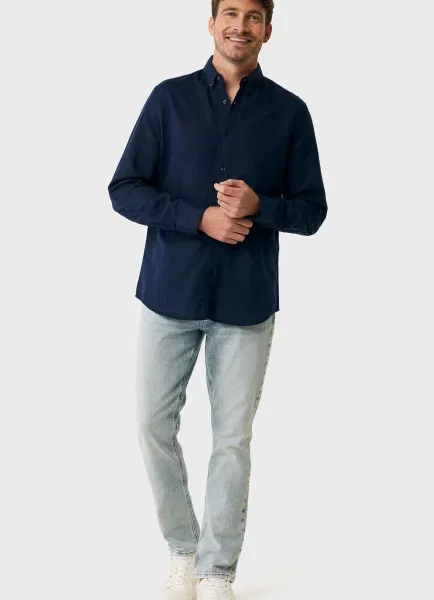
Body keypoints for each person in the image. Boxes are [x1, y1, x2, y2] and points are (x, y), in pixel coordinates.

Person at [108, 0, 327, 597]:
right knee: (152, 426)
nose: (240, 26)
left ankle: (216, 570)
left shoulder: (289, 112)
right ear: (211, 24)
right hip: (169, 293)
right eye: (230, 13)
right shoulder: (169, 100)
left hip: (245, 302)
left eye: (253, 17)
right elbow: (124, 188)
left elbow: (312, 212)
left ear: (268, 30)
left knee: (231, 441)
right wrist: (198, 218)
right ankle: (184, 550)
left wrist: (262, 207)